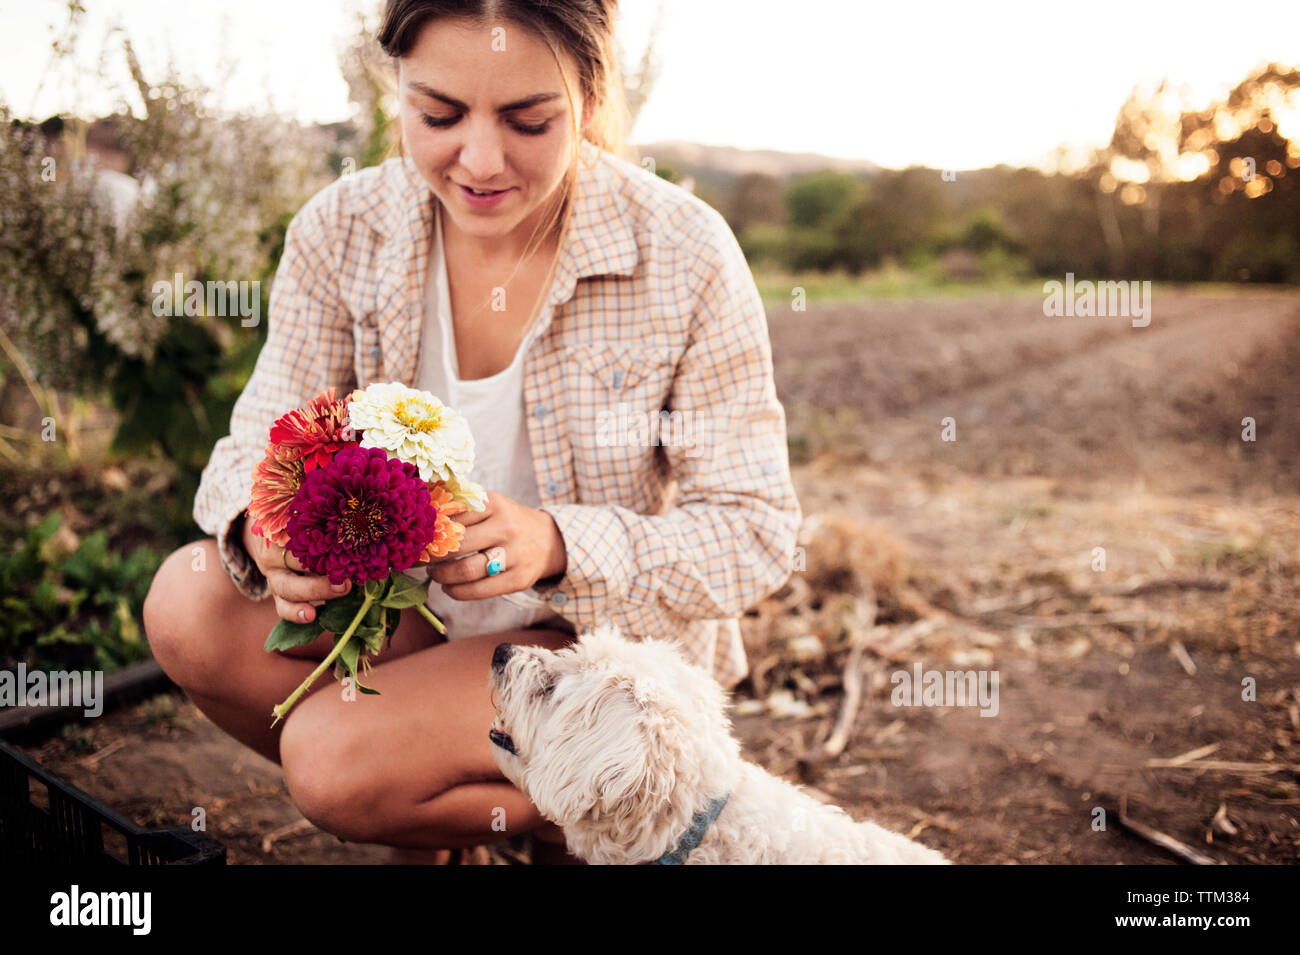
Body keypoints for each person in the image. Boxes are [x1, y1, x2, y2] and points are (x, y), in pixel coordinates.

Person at [143, 0, 801, 864]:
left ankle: (577, 811)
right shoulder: (342, 230)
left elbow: (755, 530)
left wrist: (558, 542)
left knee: (331, 763)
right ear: (395, 91)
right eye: (439, 115)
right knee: (189, 599)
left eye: (530, 120)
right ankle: (439, 807)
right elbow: (253, 449)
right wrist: (263, 529)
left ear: (592, 94)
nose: (480, 161)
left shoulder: (684, 252)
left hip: (586, 648)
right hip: (405, 622)